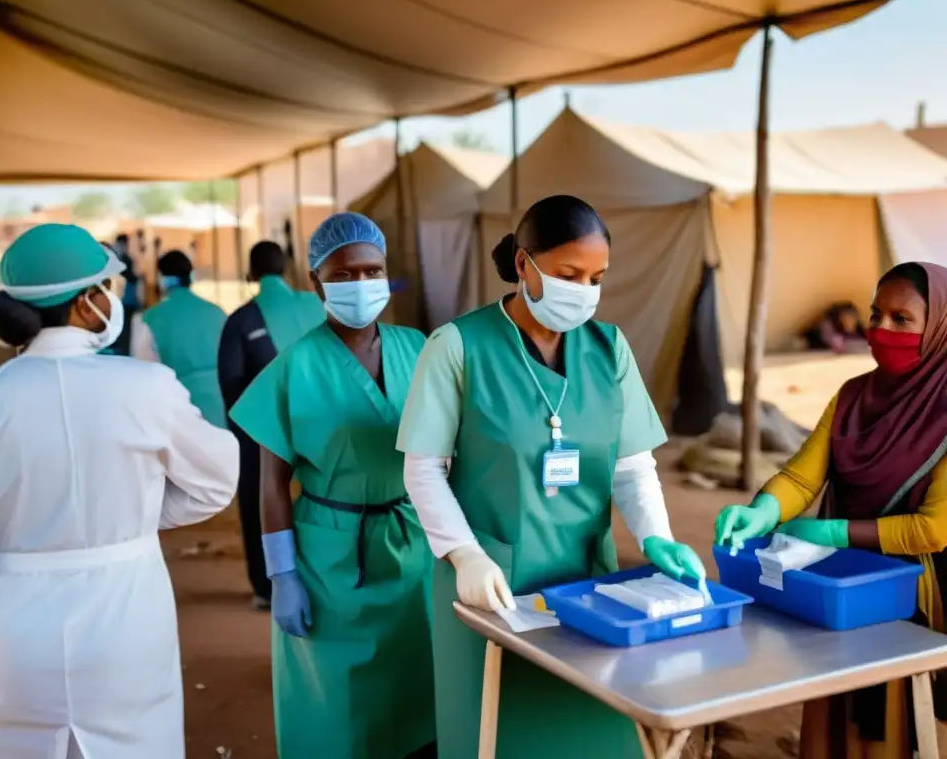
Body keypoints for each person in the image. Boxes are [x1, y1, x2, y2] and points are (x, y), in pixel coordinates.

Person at [396, 195, 707, 759]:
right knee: (497, 730)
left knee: (585, 726)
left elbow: (632, 467)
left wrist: (656, 537)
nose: (584, 290)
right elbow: (423, 469)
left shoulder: (609, 349)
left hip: (587, 584)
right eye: (568, 274)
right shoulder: (458, 346)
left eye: (596, 277)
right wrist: (463, 554)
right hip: (491, 585)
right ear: (522, 264)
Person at [0, 223, 239, 758]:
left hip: (16, 626)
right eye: (106, 290)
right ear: (87, 302)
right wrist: (132, 516)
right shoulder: (146, 387)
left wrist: (11, 579)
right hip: (130, 613)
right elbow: (215, 484)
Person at [715, 261, 947, 759]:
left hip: (910, 592)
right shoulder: (853, 396)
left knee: (892, 716)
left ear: (937, 328)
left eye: (902, 319)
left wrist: (833, 534)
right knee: (834, 696)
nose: (881, 329)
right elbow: (802, 476)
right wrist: (762, 511)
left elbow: (933, 529)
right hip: (839, 583)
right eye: (875, 314)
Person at [230, 213, 436, 759]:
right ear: (317, 282)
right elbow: (271, 483)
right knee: (339, 704)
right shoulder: (294, 366)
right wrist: (281, 574)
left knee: (419, 688)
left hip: (412, 543)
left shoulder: (418, 349)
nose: (362, 284)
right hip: (330, 560)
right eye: (345, 275)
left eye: (373, 271)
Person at [218, 240, 325, 611]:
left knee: (260, 495)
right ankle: (326, 574)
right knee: (327, 498)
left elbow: (231, 384)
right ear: (287, 269)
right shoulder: (317, 304)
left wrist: (246, 437)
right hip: (327, 423)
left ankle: (266, 586)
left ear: (250, 274)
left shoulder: (242, 319)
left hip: (265, 429)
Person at [131, 251, 228, 428]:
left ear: (162, 279)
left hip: (177, 412)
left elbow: (142, 371)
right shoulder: (217, 312)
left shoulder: (148, 319)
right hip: (221, 408)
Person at [112, 233, 140, 354]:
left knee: (126, 331)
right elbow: (131, 277)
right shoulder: (121, 260)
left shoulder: (126, 259)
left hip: (128, 301)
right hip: (123, 301)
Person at [804, 302, 868, 354]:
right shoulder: (830, 327)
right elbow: (838, 346)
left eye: (852, 317)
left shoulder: (859, 329)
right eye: (845, 318)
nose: (850, 321)